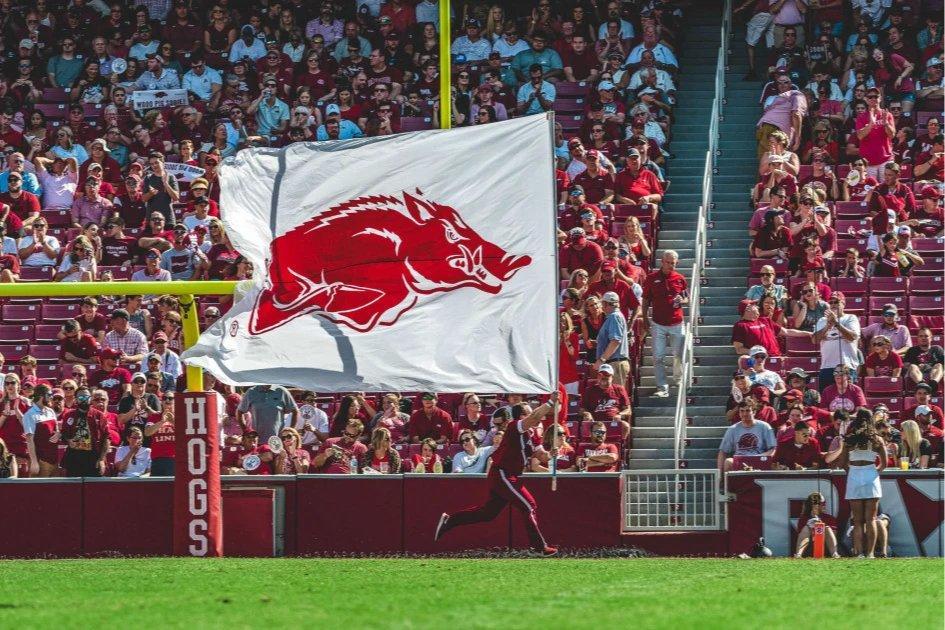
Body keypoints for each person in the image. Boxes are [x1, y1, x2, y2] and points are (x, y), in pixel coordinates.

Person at [435, 396, 559, 556]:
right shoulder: (515, 427)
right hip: (502, 473)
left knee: (487, 514)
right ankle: (538, 547)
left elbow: (540, 455)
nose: (534, 417)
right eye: (528, 413)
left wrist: (550, 454)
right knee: (529, 506)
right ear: (521, 416)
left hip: (506, 476)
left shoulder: (530, 434)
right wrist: (550, 402)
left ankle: (450, 520)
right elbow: (535, 416)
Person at [826, 412, 886, 557]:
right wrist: (873, 472)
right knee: (871, 519)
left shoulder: (850, 440)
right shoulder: (877, 439)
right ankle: (870, 554)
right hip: (871, 475)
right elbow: (884, 464)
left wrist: (852, 472)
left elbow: (842, 463)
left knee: (857, 520)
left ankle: (859, 553)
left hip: (854, 475)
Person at [642, 250, 688, 397]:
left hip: (676, 322)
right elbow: (645, 300)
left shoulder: (680, 278)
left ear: (677, 263)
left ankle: (678, 379)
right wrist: (644, 319)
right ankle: (662, 387)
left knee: (679, 354)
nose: (670, 265)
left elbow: (687, 297)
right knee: (658, 357)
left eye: (673, 263)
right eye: (667, 262)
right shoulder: (651, 278)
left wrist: (683, 300)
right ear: (662, 261)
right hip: (658, 323)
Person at [812, 292, 860, 390]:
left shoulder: (850, 318)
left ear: (843, 304)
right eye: (831, 302)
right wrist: (827, 326)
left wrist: (836, 323)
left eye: (836, 302)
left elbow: (852, 337)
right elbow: (814, 340)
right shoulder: (822, 320)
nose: (833, 305)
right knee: (827, 400)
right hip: (826, 367)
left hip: (846, 366)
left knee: (848, 398)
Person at [59, 387, 110, 477]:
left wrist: (102, 459)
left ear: (90, 398)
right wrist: (68, 440)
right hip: (74, 456)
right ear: (76, 400)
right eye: (81, 398)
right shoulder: (69, 415)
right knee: (73, 487)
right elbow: (64, 435)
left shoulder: (99, 416)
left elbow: (106, 438)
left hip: (93, 456)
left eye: (87, 397)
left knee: (93, 488)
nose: (84, 400)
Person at [718, 399, 777, 473]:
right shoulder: (732, 429)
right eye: (742, 411)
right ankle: (727, 484)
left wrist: (760, 457)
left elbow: (773, 449)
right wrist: (719, 474)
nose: (744, 414)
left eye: (748, 411)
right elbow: (723, 452)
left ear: (754, 412)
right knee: (728, 461)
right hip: (740, 460)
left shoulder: (765, 427)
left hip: (759, 459)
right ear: (739, 413)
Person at [581, 363, 631, 441]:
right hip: (596, 423)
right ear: (598, 376)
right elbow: (582, 409)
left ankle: (620, 445)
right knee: (584, 425)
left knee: (626, 426)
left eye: (607, 376)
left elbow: (628, 410)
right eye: (601, 376)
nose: (603, 378)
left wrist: (620, 415)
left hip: (613, 422)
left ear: (612, 377)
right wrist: (587, 413)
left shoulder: (619, 389)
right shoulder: (589, 390)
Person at [592, 292, 630, 389]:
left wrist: (601, 360)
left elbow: (615, 341)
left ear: (606, 303)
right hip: (614, 363)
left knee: (616, 396)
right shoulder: (615, 316)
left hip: (615, 364)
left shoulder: (614, 317)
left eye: (602, 304)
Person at [794, 491, 840, 558]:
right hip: (809, 548)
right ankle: (798, 554)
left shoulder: (830, 518)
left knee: (827, 528)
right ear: (812, 505)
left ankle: (835, 554)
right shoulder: (804, 518)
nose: (824, 505)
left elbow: (834, 535)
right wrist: (810, 524)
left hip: (826, 547)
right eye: (821, 503)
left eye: (824, 503)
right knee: (806, 528)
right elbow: (801, 536)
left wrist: (820, 524)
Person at [144, 392, 176, 476]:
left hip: (175, 459)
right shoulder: (154, 417)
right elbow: (147, 432)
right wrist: (162, 421)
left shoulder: (181, 416)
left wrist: (172, 421)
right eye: (164, 398)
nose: (167, 400)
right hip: (157, 459)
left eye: (170, 398)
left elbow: (185, 434)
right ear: (161, 401)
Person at [903, 328, 944, 392]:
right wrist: (917, 366)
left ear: (931, 338)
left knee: (939, 365)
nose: (923, 338)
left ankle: (933, 384)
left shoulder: (937, 349)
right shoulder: (912, 350)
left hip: (933, 373)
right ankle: (921, 384)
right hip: (917, 374)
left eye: (926, 336)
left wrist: (930, 367)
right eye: (921, 336)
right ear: (917, 338)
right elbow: (905, 365)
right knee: (913, 366)